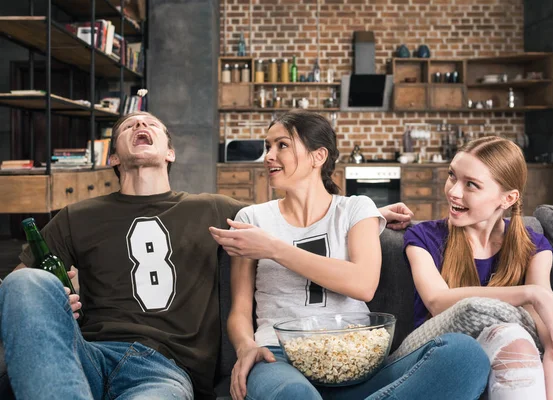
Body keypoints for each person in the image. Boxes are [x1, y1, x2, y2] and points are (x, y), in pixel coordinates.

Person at [209, 110, 490, 400]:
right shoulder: (253, 218)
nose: (268, 155)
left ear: (318, 156)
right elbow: (240, 309)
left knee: (464, 355)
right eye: (267, 146)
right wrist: (245, 347)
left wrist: (274, 248)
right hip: (280, 359)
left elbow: (362, 283)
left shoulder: (356, 210)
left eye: (282, 145)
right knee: (294, 395)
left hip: (357, 359)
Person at [0, 111, 245, 399]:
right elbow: (17, 288)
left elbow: (287, 223)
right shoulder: (78, 216)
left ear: (170, 153)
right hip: (86, 355)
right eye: (129, 126)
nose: (140, 124)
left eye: (151, 123)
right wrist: (51, 300)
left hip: (164, 370)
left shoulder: (213, 209)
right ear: (113, 157)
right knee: (26, 282)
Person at [394, 135, 553, 399]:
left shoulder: (534, 246)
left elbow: (542, 314)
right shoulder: (423, 237)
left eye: (471, 184)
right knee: (512, 335)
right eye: (452, 176)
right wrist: (531, 294)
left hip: (524, 339)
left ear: (508, 198)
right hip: (441, 352)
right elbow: (437, 301)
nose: (454, 191)